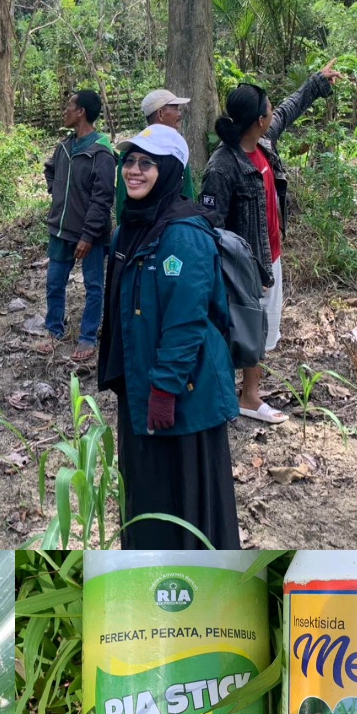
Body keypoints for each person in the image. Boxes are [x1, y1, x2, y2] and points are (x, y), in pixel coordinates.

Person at [98, 123, 241, 551]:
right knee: (147, 490)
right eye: (130, 162)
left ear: (171, 171)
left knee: (186, 492)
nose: (134, 172)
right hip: (142, 385)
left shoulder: (184, 234)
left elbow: (186, 319)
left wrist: (165, 386)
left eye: (147, 164)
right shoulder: (129, 229)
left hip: (182, 391)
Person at [200, 62, 343, 422]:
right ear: (257, 120)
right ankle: (237, 397)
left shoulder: (262, 142)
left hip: (270, 256)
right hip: (243, 267)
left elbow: (289, 110)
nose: (272, 113)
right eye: (267, 109)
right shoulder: (222, 166)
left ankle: (248, 395)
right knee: (242, 328)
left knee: (261, 330)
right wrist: (234, 272)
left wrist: (317, 82)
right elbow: (210, 226)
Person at [40, 90, 116, 362]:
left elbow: (103, 198)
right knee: (54, 282)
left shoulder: (101, 153)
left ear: (81, 111)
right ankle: (53, 330)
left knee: (94, 285)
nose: (65, 110)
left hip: (90, 236)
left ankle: (87, 337)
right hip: (60, 231)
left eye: (70, 106)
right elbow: (50, 169)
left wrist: (88, 235)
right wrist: (58, 190)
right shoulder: (64, 147)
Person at [116, 89, 195, 220]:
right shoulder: (173, 153)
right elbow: (187, 195)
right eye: (176, 108)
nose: (180, 114)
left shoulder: (129, 152)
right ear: (160, 113)